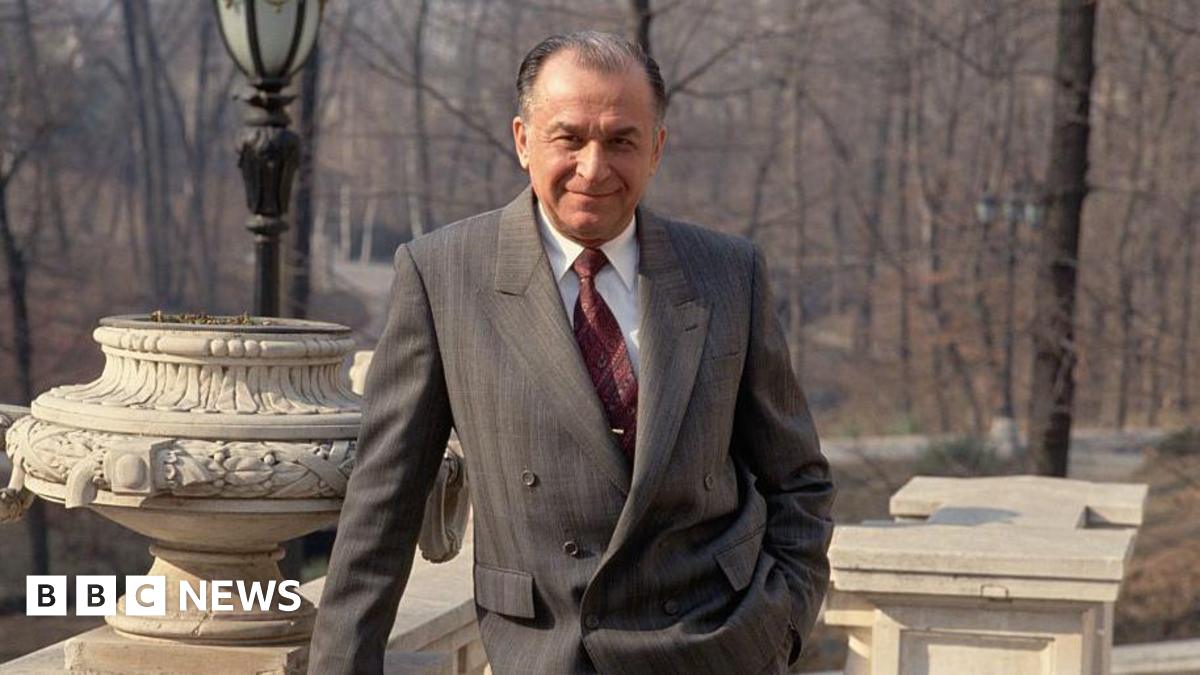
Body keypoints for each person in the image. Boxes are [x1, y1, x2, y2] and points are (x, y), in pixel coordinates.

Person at [309, 31, 834, 675]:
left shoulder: (728, 273)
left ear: (657, 149)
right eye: (570, 138)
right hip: (546, 651)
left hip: (717, 646)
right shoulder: (444, 275)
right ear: (524, 140)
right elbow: (384, 502)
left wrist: (779, 628)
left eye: (621, 140)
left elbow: (798, 480)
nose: (594, 167)